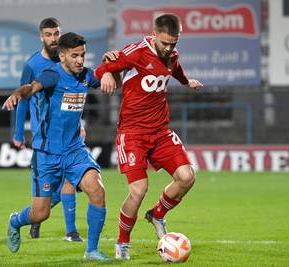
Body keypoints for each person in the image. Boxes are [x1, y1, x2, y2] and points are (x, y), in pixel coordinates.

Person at [95, 14, 203, 259]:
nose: (168, 48)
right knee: (139, 189)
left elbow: (175, 69)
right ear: (154, 35)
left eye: (173, 43)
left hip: (161, 131)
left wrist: (187, 83)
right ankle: (122, 242)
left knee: (187, 177)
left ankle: (157, 214)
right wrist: (108, 74)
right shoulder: (136, 52)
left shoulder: (172, 55)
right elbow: (102, 68)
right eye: (164, 43)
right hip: (132, 133)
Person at [3, 32, 114, 261]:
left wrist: (114, 70)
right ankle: (15, 221)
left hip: (74, 150)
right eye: (75, 56)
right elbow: (31, 88)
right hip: (47, 153)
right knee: (40, 213)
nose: (80, 60)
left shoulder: (85, 76)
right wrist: (17, 94)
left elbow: (109, 84)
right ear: (62, 56)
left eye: (83, 55)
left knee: (97, 191)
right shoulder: (52, 75)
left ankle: (91, 250)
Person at [13, 17, 83, 242]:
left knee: (71, 179)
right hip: (44, 135)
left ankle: (70, 231)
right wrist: (17, 133)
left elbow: (73, 95)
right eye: (49, 35)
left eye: (56, 34)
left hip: (68, 133)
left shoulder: (70, 60)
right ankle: (38, 217)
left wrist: (78, 124)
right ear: (41, 37)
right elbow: (23, 99)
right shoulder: (33, 65)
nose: (54, 39)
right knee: (57, 185)